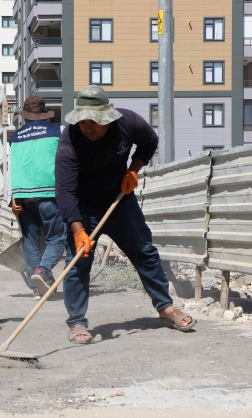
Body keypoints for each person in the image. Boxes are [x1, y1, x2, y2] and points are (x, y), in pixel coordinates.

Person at [55, 86, 196, 344]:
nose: (88, 128)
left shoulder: (129, 122)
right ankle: (76, 323)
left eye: (94, 122)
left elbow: (149, 143)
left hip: (119, 201)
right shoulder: (70, 140)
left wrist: (134, 169)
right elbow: (64, 191)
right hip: (84, 206)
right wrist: (78, 230)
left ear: (107, 117)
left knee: (144, 251)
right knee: (78, 261)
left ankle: (165, 308)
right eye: (83, 122)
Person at [8, 96, 67, 298]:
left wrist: (13, 196)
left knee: (31, 242)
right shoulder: (57, 131)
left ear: (25, 117)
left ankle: (37, 289)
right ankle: (43, 272)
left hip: (22, 195)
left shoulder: (15, 137)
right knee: (57, 237)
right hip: (48, 192)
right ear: (44, 115)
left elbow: (13, 167)